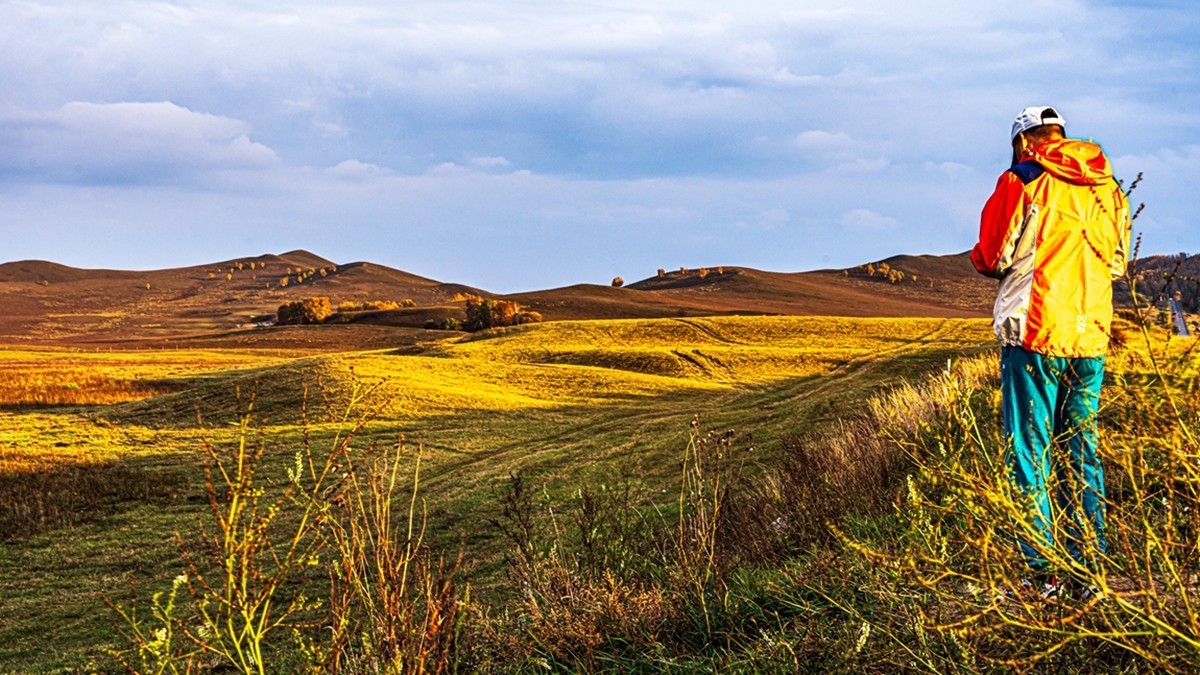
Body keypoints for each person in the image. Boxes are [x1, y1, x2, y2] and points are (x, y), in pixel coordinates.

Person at [970, 106, 1131, 593]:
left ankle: (1042, 572)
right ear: (1061, 136)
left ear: (1023, 141)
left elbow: (992, 255)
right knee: (1081, 449)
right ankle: (1090, 569)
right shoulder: (1110, 188)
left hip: (1036, 333)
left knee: (1030, 451)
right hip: (1090, 336)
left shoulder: (1022, 179)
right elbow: (1119, 264)